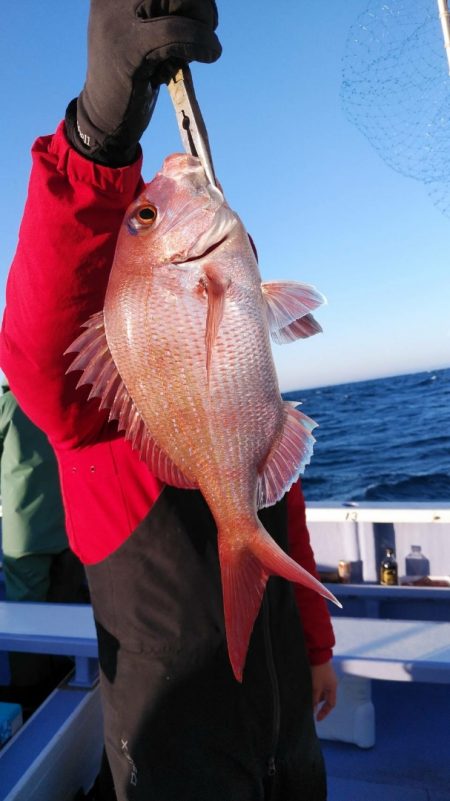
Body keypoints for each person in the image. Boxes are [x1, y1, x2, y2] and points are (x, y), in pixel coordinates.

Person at [0, 2, 337, 799]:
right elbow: (41, 350)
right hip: (175, 755)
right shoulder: (93, 415)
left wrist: (318, 646)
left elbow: (282, 515)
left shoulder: (242, 401)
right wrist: (97, 139)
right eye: (143, 216)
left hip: (290, 728)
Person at [0, 380, 88, 713]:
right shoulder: (63, 400)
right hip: (69, 525)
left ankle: (28, 693)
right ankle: (62, 674)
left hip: (26, 533)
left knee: (26, 615)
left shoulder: (8, 406)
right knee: (63, 606)